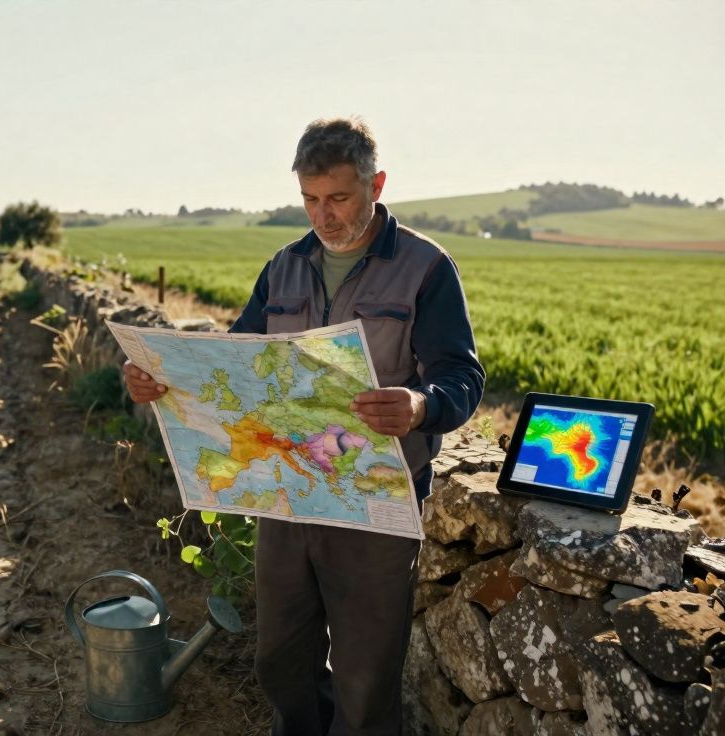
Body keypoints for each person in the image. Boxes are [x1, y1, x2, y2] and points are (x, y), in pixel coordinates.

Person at [123, 117, 484, 735]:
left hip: (376, 504)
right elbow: (234, 364)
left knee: (366, 675)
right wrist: (161, 381)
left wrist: (420, 406)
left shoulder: (427, 267)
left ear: (377, 185)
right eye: (310, 200)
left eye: (339, 197)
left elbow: (462, 378)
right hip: (285, 493)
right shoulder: (284, 267)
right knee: (281, 658)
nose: (324, 215)